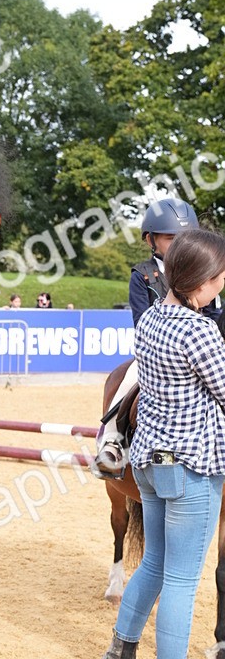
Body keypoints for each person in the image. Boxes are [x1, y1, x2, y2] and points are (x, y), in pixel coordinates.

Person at [91, 227, 225, 659]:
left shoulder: (149, 321)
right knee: (183, 579)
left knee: (152, 564)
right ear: (202, 280)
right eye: (220, 277)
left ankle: (119, 658)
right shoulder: (201, 331)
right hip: (191, 466)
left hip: (147, 461)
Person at [94, 197, 200, 476]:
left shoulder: (203, 272)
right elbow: (141, 322)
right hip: (155, 354)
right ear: (150, 239)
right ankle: (113, 442)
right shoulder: (142, 276)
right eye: (170, 238)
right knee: (129, 377)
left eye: (185, 238)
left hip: (201, 352)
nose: (179, 245)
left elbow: (214, 315)